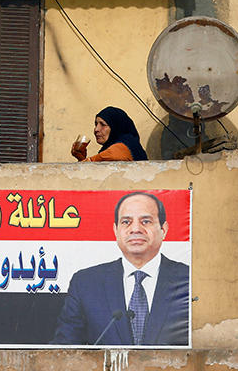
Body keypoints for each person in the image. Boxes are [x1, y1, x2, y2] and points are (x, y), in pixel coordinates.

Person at [51, 192, 189, 346]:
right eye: (126, 222)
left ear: (164, 229)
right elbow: (64, 349)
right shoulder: (86, 283)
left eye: (146, 221)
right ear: (116, 230)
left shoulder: (188, 279)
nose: (135, 229)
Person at [71, 106, 148, 162]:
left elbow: (113, 154)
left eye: (103, 125)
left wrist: (86, 161)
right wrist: (81, 158)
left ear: (116, 127)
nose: (96, 129)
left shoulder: (125, 144)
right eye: (96, 124)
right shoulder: (106, 149)